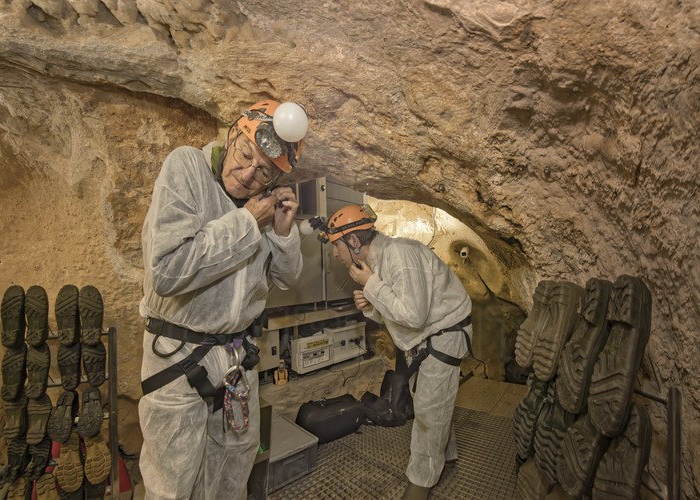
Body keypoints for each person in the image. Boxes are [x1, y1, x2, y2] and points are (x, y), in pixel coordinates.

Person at [138, 99, 307, 499]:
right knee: (173, 485)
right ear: (233, 135)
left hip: (235, 361)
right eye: (244, 154)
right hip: (178, 359)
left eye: (262, 171)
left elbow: (286, 278)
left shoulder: (265, 207)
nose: (247, 173)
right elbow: (168, 270)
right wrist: (247, 222)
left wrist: (282, 233)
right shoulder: (187, 169)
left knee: (233, 471)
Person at [319, 204, 473, 500]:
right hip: (429, 334)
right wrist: (372, 303)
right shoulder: (383, 259)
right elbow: (400, 311)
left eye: (337, 246)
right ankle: (446, 455)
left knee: (428, 409)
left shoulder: (399, 256)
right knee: (431, 400)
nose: (336, 255)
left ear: (353, 242)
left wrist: (371, 285)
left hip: (445, 334)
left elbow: (413, 315)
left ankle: (420, 483)